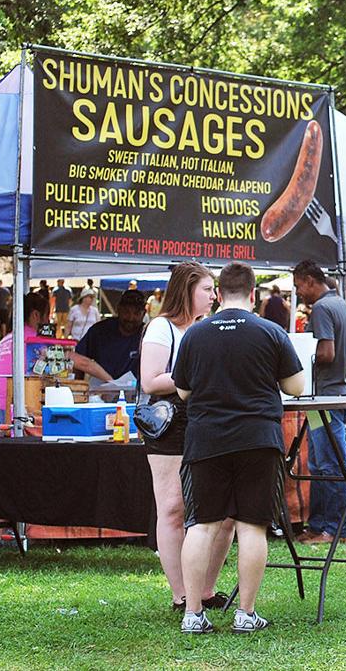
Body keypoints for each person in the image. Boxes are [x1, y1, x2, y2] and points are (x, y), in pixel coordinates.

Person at [175, 262, 305, 634]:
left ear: (218, 293)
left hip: (207, 439)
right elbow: (295, 387)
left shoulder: (195, 334)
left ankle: (193, 613)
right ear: (253, 294)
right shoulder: (270, 332)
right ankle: (246, 613)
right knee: (252, 527)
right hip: (258, 439)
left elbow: (183, 391)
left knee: (201, 526)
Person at [139, 262, 232, 614]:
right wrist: (192, 378)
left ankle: (204, 590)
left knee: (220, 512)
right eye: (207, 289)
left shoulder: (207, 327)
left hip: (208, 420)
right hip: (170, 424)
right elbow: (150, 381)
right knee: (173, 508)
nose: (214, 296)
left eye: (214, 289)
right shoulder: (162, 327)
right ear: (187, 290)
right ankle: (181, 595)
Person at [291, 261, 346, 545]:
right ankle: (319, 525)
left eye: (298, 287)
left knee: (329, 464)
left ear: (309, 280)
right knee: (320, 463)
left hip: (325, 399)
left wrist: (300, 359)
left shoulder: (320, 308)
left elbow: (327, 352)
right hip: (336, 394)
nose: (299, 294)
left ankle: (335, 529)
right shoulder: (341, 304)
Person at [0, 293, 47, 434]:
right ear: (36, 315)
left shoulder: (7, 338)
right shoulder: (33, 339)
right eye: (46, 316)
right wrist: (108, 378)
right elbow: (81, 363)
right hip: (2, 409)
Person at [70, 289, 145, 386]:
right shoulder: (99, 331)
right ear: (118, 309)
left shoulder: (148, 334)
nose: (131, 318)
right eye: (126, 312)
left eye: (136, 313)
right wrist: (78, 387)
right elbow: (79, 359)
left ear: (144, 313)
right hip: (101, 389)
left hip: (135, 390)